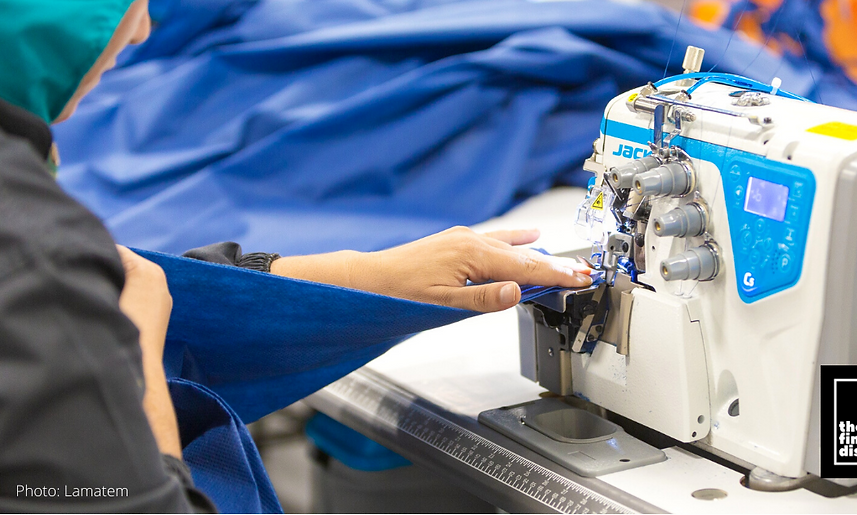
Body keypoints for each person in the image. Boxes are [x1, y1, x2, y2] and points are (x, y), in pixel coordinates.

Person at [0, 0, 591, 511]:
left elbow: (139, 298)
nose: (142, 32)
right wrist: (138, 379)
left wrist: (368, 278)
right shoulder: (39, 259)